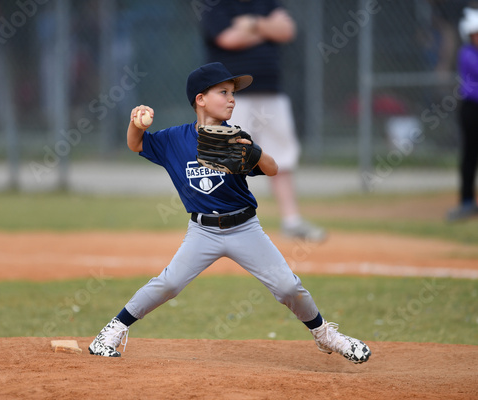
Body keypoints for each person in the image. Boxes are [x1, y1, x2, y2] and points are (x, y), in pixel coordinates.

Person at [88, 62, 371, 364]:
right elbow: (135, 144)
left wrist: (256, 153)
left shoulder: (235, 138)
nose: (232, 99)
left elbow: (273, 170)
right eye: (223, 92)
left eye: (233, 93)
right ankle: (112, 331)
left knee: (288, 286)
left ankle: (325, 335)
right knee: (169, 283)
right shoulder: (173, 139)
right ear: (200, 98)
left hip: (245, 228)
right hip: (203, 231)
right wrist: (137, 125)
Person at [199, 0, 326, 242]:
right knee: (226, 157)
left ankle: (291, 220)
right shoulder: (215, 5)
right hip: (231, 96)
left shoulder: (265, 2)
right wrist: (268, 31)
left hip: (271, 93)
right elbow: (228, 39)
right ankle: (219, 220)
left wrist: (253, 25)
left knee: (281, 156)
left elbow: (287, 31)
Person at [447, 6, 478, 221]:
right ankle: (467, 202)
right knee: (470, 156)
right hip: (471, 109)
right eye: (475, 34)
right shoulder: (466, 53)